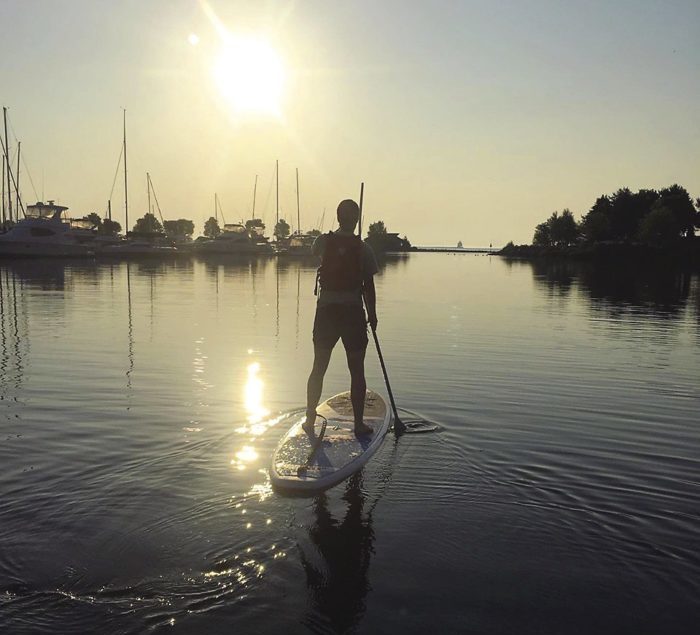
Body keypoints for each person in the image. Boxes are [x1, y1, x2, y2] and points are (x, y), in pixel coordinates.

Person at [304, 199, 378, 437]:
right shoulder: (364, 249)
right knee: (356, 370)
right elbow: (369, 286)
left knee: (318, 368)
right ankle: (358, 425)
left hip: (326, 313)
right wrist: (373, 315)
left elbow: (315, 255)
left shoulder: (322, 242)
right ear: (356, 219)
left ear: (337, 218)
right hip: (352, 314)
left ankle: (309, 420)